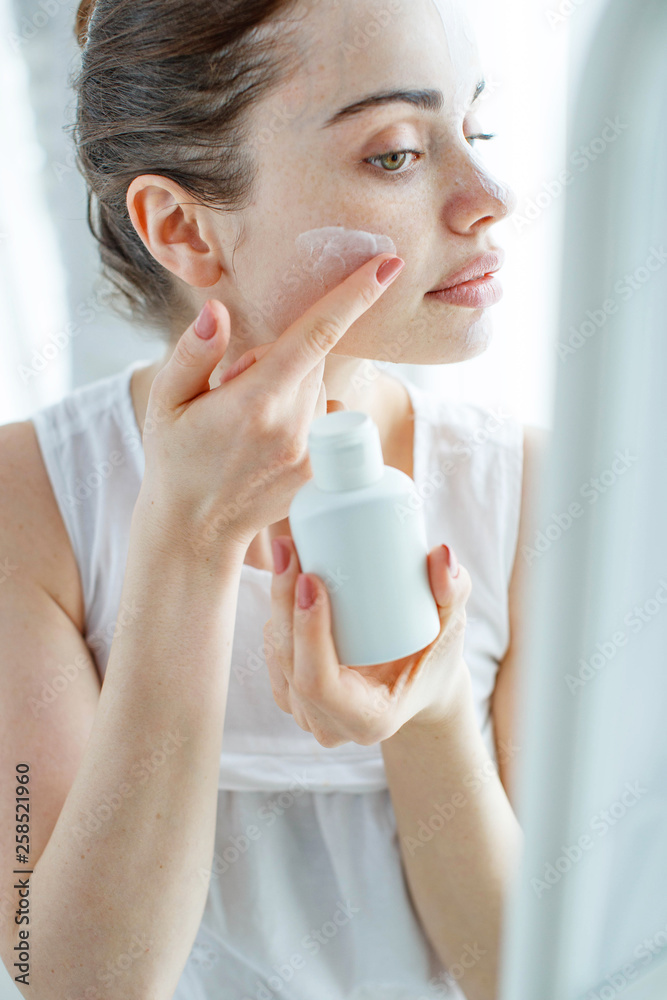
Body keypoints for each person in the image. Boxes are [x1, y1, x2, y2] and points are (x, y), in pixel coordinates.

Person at [0, 1, 548, 998]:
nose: (489, 197)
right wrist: (187, 544)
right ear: (181, 228)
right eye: (393, 154)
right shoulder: (26, 499)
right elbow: (59, 973)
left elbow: (538, 975)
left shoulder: (528, 494)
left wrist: (427, 719)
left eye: (476, 132)